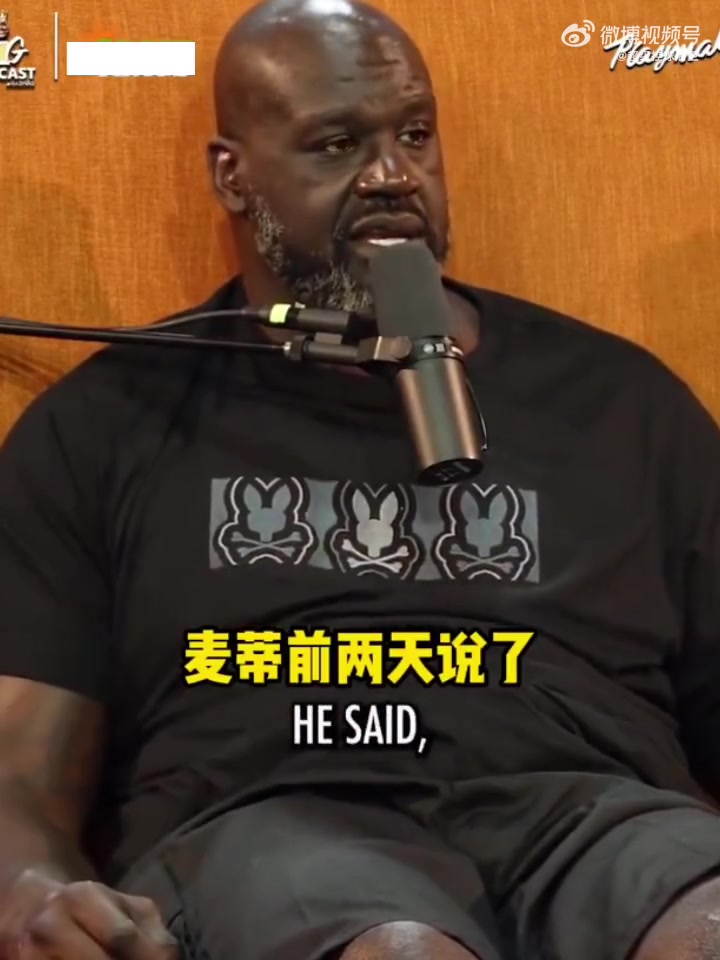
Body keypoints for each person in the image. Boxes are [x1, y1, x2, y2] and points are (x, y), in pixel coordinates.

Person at [1, 0, 720, 958]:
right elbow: (21, 777)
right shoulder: (109, 422)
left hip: (591, 815)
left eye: (414, 135)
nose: (392, 176)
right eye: (338, 144)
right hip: (277, 825)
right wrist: (33, 894)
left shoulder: (621, 403)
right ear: (233, 175)